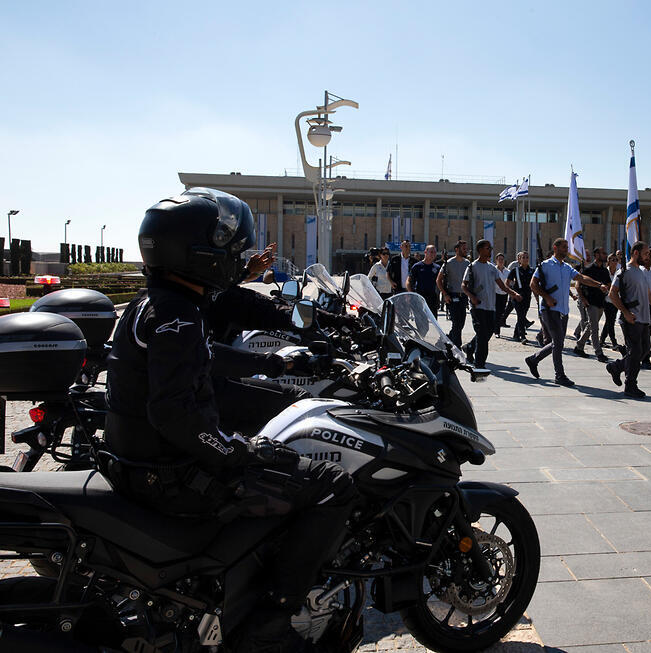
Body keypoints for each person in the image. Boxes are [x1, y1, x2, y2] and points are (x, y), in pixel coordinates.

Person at [104, 188, 355, 653]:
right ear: (201, 254)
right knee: (331, 483)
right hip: (173, 475)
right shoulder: (179, 315)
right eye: (231, 251)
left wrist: (281, 365)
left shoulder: (155, 304)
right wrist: (237, 449)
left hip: (139, 463)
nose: (237, 259)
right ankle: (272, 623)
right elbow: (175, 413)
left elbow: (203, 360)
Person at [526, 238, 608, 387]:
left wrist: (598, 284)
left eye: (567, 247)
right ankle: (560, 375)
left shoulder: (566, 267)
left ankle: (533, 359)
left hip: (563, 310)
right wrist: (547, 297)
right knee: (558, 342)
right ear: (555, 248)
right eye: (564, 247)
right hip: (549, 309)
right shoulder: (545, 265)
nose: (566, 250)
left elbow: (582, 278)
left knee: (557, 342)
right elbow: (533, 284)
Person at [606, 241, 651, 398]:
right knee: (635, 351)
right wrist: (625, 312)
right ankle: (630, 385)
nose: (648, 256)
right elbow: (612, 294)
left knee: (644, 349)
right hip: (631, 319)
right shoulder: (624, 272)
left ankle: (617, 366)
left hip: (644, 318)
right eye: (646, 253)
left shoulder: (641, 272)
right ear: (635, 253)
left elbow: (649, 295)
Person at [462, 240, 521, 367]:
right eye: (488, 248)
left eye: (491, 248)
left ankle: (469, 347)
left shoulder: (492, 268)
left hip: (490, 307)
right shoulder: (472, 267)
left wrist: (514, 294)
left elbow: (502, 286)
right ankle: (480, 364)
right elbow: (464, 286)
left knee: (487, 333)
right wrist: (472, 297)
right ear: (480, 250)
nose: (490, 250)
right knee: (483, 335)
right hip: (477, 306)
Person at [573, 247, 611, 362]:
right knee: (594, 328)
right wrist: (583, 299)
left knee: (590, 326)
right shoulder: (588, 269)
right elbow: (578, 285)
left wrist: (607, 289)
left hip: (601, 302)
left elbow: (609, 283)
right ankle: (598, 352)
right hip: (590, 302)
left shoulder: (604, 270)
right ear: (596, 255)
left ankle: (579, 346)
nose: (605, 255)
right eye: (603, 253)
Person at [436, 240, 470, 347]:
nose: (465, 250)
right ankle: (457, 346)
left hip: (463, 297)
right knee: (456, 323)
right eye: (463, 248)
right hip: (452, 296)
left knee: (461, 323)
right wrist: (445, 294)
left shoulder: (468, 263)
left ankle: (448, 338)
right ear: (456, 249)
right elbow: (438, 280)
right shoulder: (449, 263)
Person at [508, 251, 535, 343]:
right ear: (519, 259)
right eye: (523, 257)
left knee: (522, 316)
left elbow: (535, 284)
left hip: (527, 296)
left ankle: (515, 334)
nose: (525, 259)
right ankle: (522, 335)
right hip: (517, 296)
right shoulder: (514, 271)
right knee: (520, 315)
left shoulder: (532, 271)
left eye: (527, 257)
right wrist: (512, 294)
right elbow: (506, 284)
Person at [409, 244, 441, 316]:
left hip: (432, 298)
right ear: (425, 252)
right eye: (431, 252)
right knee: (421, 322)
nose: (433, 254)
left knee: (433, 322)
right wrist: (411, 295)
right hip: (420, 297)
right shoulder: (417, 266)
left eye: (435, 252)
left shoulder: (437, 267)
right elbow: (409, 281)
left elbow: (439, 284)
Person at [599, 253, 622, 352]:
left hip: (615, 300)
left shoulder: (618, 273)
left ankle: (602, 339)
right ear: (608, 261)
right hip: (606, 300)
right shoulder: (605, 272)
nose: (615, 262)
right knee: (610, 321)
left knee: (609, 321)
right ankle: (614, 342)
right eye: (613, 260)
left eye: (616, 260)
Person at [493, 253, 510, 336]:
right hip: (495, 293)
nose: (501, 261)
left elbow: (510, 282)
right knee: (497, 312)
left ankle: (495, 327)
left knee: (501, 312)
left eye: (502, 259)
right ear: (496, 260)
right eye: (499, 259)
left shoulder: (507, 271)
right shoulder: (493, 270)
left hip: (504, 294)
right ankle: (497, 331)